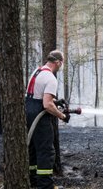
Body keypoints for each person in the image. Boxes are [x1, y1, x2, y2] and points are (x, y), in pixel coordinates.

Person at [25, 50, 67, 189]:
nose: (62, 65)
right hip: (39, 116)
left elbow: (39, 94)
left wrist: (56, 101)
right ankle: (46, 185)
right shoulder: (50, 78)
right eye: (62, 63)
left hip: (28, 111)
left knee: (33, 148)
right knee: (46, 151)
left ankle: (33, 180)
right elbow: (46, 104)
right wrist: (62, 116)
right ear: (58, 62)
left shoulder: (37, 71)